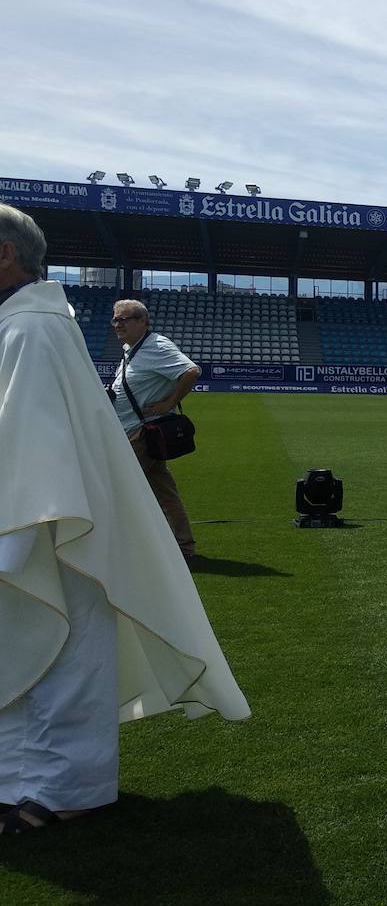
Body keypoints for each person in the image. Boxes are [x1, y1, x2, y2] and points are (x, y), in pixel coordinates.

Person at [0, 203, 248, 834]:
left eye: (126, 315)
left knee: (66, 648)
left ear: (6, 254)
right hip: (48, 505)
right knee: (38, 644)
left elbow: (29, 439)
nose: (119, 323)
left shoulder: (31, 330)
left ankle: (66, 787)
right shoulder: (29, 324)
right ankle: (20, 777)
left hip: (51, 518)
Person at [109, 298, 201, 561]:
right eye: (115, 320)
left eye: (122, 319)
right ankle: (183, 547)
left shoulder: (156, 346)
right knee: (164, 490)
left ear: (142, 321)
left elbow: (191, 371)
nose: (117, 325)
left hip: (141, 434)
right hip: (134, 432)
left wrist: (168, 403)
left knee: (119, 489)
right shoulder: (133, 349)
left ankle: (127, 547)